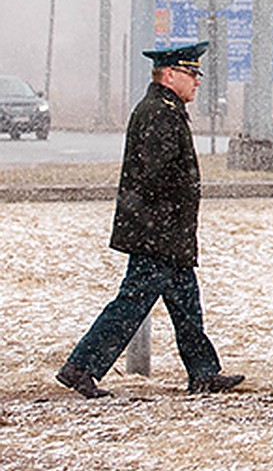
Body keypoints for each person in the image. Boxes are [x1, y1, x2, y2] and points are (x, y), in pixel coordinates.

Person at [56, 42, 244, 398]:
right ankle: (81, 367)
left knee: (186, 305)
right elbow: (156, 179)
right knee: (132, 303)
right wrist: (169, 225)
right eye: (192, 73)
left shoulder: (165, 109)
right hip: (157, 235)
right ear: (170, 75)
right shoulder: (159, 113)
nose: (197, 81)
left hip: (164, 234)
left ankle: (203, 373)